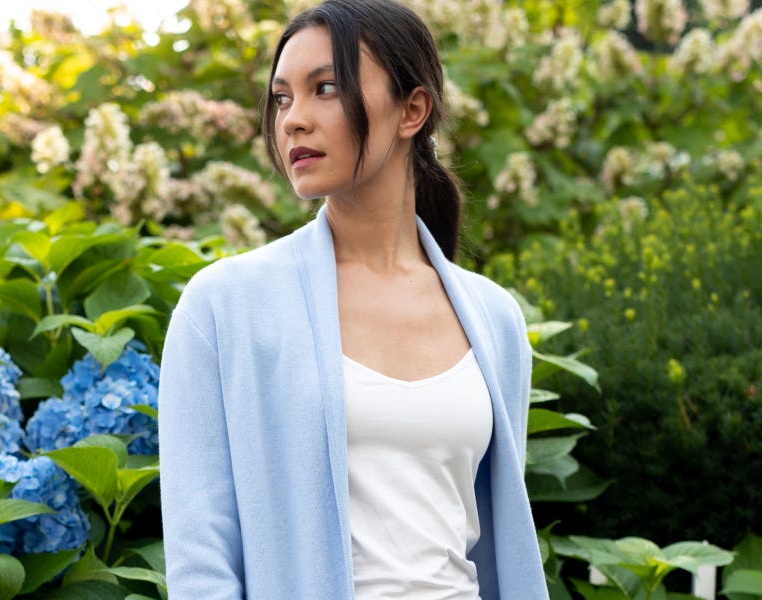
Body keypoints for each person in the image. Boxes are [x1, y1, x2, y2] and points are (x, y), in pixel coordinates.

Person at [156, 0, 546, 598]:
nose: (293, 120)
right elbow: (199, 562)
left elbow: (496, 536)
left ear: (412, 109)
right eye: (283, 97)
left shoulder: (494, 320)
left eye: (326, 88)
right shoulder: (224, 308)